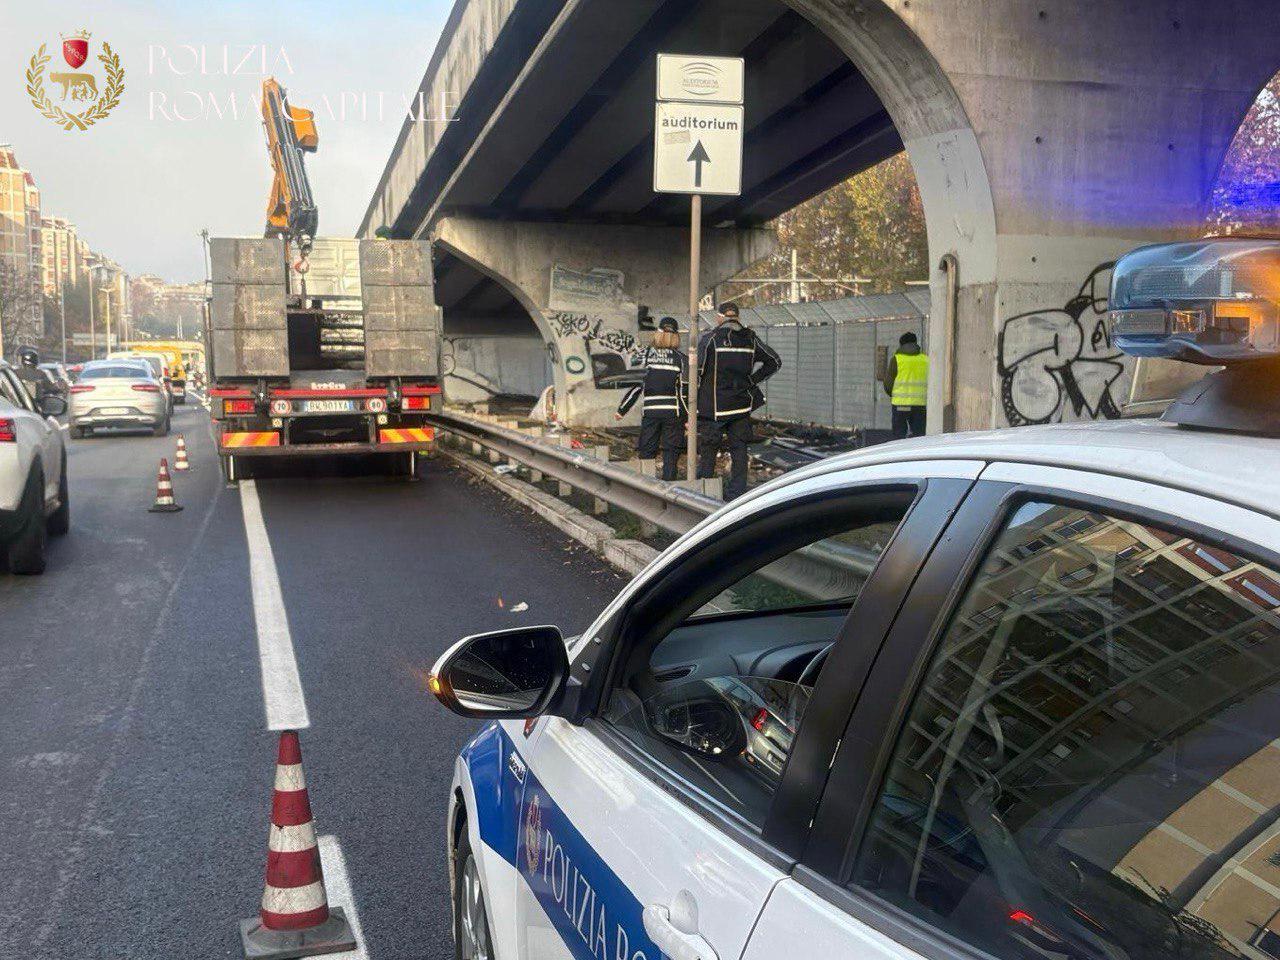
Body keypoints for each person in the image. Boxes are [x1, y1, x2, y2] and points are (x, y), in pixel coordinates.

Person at [696, 302, 782, 500]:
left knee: (709, 450)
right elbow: (775, 361)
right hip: (741, 406)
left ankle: (705, 494)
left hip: (714, 408)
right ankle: (736, 495)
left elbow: (697, 372)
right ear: (737, 317)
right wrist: (752, 380)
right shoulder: (750, 339)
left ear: (719, 318)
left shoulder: (710, 340)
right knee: (739, 451)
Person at [616, 317, 687, 481]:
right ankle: (669, 488)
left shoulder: (646, 356)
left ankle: (646, 487)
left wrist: (622, 410)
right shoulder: (681, 359)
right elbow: (684, 391)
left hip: (651, 411)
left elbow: (636, 386)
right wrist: (688, 416)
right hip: (673, 412)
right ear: (676, 336)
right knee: (671, 451)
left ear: (658, 334)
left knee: (647, 450)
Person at [883, 331, 928, 439]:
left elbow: (888, 384)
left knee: (898, 437)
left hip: (900, 405)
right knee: (919, 437)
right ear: (916, 343)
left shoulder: (896, 360)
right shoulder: (926, 359)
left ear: (901, 344)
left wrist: (894, 394)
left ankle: (898, 455)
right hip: (920, 405)